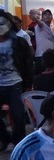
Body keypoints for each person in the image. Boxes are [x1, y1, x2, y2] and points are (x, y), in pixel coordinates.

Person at [0, 11, 33, 151]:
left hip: (15, 82)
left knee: (18, 116)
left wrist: (28, 84)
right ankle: (4, 138)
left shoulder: (19, 41)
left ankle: (19, 143)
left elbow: (28, 63)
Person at [31, 8, 54, 75]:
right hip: (41, 56)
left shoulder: (49, 28)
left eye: (49, 14)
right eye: (45, 14)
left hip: (50, 56)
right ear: (42, 17)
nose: (47, 16)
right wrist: (37, 19)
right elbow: (40, 23)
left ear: (52, 17)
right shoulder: (41, 25)